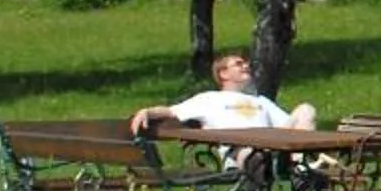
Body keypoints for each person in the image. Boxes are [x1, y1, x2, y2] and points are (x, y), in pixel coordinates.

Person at [130, 52, 319, 137]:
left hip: (274, 147)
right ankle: (302, 171)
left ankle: (302, 168)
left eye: (246, 63)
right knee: (252, 155)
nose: (246, 66)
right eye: (238, 64)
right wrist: (147, 112)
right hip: (240, 151)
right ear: (224, 74)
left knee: (306, 110)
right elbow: (172, 111)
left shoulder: (260, 101)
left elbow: (288, 127)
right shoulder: (210, 99)